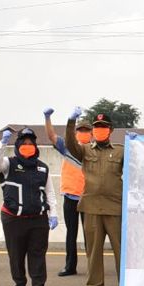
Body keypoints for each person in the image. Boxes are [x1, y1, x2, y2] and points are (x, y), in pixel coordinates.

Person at [65, 108, 125, 286]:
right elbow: (70, 145)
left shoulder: (121, 151)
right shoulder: (85, 150)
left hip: (114, 208)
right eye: (97, 127)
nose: (100, 130)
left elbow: (137, 167)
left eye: (103, 127)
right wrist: (70, 123)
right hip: (91, 207)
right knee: (93, 251)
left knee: (121, 251)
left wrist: (137, 144)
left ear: (111, 130)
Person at [0, 128, 58, 286]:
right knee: (16, 254)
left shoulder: (42, 168)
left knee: (38, 254)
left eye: (31, 143)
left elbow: (50, 193)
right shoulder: (8, 164)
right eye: (24, 143)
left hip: (38, 219)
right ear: (18, 145)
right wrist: (2, 143)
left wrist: (53, 214)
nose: (28, 146)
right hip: (13, 218)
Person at [44, 108, 88, 277]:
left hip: (88, 197)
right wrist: (47, 118)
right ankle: (70, 266)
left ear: (90, 133)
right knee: (71, 233)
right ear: (75, 132)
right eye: (81, 130)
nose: (83, 133)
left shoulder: (92, 150)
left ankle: (93, 267)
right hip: (70, 196)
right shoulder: (68, 147)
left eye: (86, 131)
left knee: (89, 235)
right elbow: (51, 136)